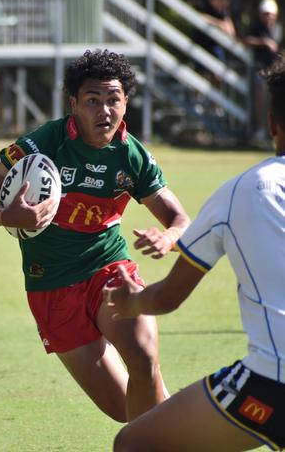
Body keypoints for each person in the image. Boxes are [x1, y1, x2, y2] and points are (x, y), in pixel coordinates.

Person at [0, 49, 191, 422]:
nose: (105, 111)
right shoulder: (44, 142)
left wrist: (170, 237)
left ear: (126, 103)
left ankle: (186, 433)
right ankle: (193, 422)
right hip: (50, 286)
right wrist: (1, 214)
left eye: (113, 100)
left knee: (144, 358)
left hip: (109, 270)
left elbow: (178, 217)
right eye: (92, 101)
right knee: (125, 409)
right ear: (73, 104)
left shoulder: (132, 157)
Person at [105, 57, 285, 451]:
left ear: (272, 123)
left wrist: (134, 302)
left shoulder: (244, 191)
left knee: (135, 443)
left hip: (273, 384)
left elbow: (168, 296)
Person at [245, 0, 283, 140]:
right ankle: (262, 129)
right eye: (266, 14)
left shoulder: (277, 28)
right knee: (261, 98)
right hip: (262, 70)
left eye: (270, 14)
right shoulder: (256, 28)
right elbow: (245, 39)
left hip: (277, 72)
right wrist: (264, 42)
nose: (268, 17)